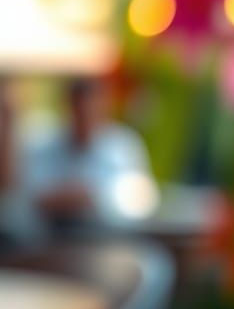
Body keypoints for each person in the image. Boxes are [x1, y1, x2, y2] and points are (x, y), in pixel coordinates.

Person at [16, 76, 156, 230]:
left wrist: (92, 198)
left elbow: (139, 200)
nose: (85, 118)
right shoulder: (44, 143)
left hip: (110, 237)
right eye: (80, 111)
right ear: (68, 107)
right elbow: (30, 196)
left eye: (91, 110)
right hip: (52, 236)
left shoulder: (123, 146)